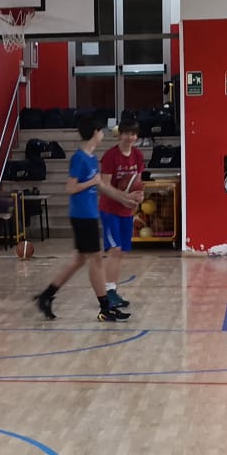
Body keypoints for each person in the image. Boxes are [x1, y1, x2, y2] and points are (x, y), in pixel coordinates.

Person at [33, 119, 132, 321]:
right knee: (96, 260)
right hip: (82, 216)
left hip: (89, 214)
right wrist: (91, 182)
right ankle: (105, 308)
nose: (103, 135)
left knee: (79, 261)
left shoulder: (92, 158)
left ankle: (46, 296)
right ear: (95, 132)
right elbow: (70, 188)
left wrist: (125, 198)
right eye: (101, 131)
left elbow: (101, 186)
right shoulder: (79, 158)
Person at [95, 117, 144, 319]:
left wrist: (138, 198)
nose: (130, 137)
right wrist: (124, 198)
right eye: (126, 133)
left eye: (133, 134)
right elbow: (104, 187)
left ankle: (113, 290)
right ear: (120, 134)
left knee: (120, 252)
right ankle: (108, 293)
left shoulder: (138, 155)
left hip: (126, 211)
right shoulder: (110, 156)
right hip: (109, 209)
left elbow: (137, 182)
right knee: (113, 250)